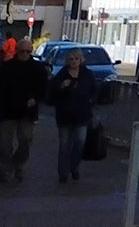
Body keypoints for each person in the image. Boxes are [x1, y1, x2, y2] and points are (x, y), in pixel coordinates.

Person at [0, 40, 48, 183]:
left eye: (28, 51)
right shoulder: (5, 68)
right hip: (6, 111)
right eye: (22, 51)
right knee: (4, 144)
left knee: (26, 140)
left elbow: (44, 89)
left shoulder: (38, 69)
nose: (25, 54)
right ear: (17, 51)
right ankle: (4, 169)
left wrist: (35, 99)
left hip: (27, 112)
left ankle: (18, 165)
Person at [48, 48, 97, 182]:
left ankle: (73, 165)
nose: (74, 61)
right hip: (64, 116)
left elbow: (93, 90)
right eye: (71, 59)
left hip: (82, 115)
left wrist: (91, 100)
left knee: (80, 142)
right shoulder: (61, 75)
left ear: (81, 60)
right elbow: (52, 95)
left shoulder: (87, 74)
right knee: (64, 144)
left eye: (76, 59)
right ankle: (63, 173)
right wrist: (62, 87)